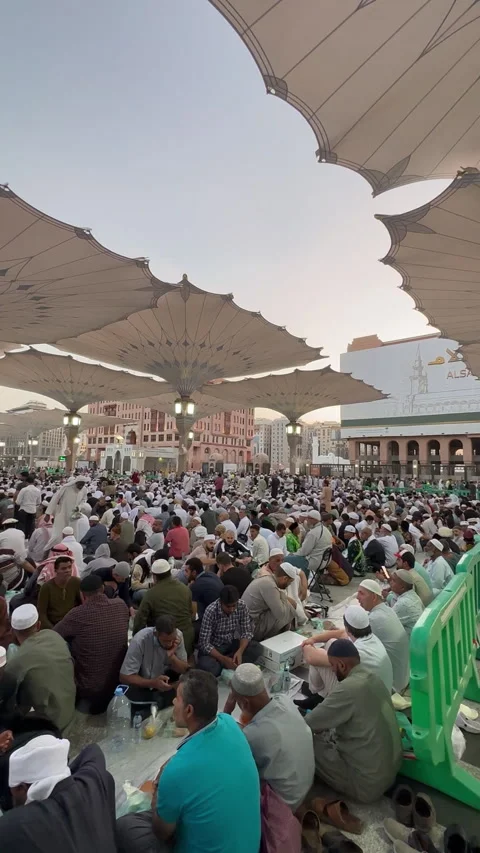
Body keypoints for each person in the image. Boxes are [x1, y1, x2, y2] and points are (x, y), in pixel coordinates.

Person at [116, 670, 261, 853]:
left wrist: (159, 789)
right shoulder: (229, 723)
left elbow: (161, 833)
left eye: (177, 698)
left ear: (189, 710)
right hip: (249, 846)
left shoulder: (176, 773)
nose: (174, 702)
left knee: (126, 827)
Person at [306, 639, 402, 803]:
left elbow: (308, 723)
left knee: (305, 740)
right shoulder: (374, 679)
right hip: (392, 772)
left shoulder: (349, 689)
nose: (332, 669)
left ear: (342, 666)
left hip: (365, 785)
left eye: (332, 665)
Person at [0, 737, 118, 853]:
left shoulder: (11, 827)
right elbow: (93, 750)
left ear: (20, 788)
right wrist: (59, 773)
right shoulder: (93, 783)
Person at [226, 663, 314, 811]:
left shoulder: (252, 735)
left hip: (284, 804)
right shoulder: (284, 700)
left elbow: (223, 743)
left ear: (245, 702)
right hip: (305, 787)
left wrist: (226, 711)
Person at [54, 574, 129, 714]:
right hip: (119, 683)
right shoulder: (121, 605)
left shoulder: (77, 614)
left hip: (90, 689)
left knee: (64, 644)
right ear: (102, 588)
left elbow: (53, 635)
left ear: (82, 595)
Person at [0, 604, 75, 733]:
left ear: (12, 631)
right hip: (69, 710)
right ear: (39, 625)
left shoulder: (17, 661)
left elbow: (6, 695)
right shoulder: (54, 635)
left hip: (50, 725)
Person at [120, 615, 189, 712]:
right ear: (156, 634)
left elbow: (185, 670)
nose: (169, 644)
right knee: (128, 696)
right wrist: (152, 683)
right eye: (165, 641)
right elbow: (124, 677)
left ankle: (157, 703)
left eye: (172, 640)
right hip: (144, 684)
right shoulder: (140, 640)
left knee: (187, 688)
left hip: (166, 680)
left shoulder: (178, 636)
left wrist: (172, 656)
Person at [357, 578, 410, 694]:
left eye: (361, 593)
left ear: (374, 597)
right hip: (402, 678)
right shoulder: (387, 610)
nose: (357, 597)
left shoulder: (375, 619)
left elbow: (351, 639)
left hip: (393, 686)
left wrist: (316, 638)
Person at [133, 559, 195, 655]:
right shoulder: (185, 589)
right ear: (169, 572)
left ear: (154, 576)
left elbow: (140, 621)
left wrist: (135, 640)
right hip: (187, 641)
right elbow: (191, 613)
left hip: (164, 644)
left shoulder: (151, 594)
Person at [197, 585, 262, 676]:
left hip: (230, 644)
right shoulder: (211, 611)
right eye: (228, 606)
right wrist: (222, 658)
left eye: (234, 606)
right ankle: (229, 665)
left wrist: (240, 651)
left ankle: (230, 663)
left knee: (256, 648)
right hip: (214, 648)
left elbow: (246, 632)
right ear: (221, 602)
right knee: (206, 665)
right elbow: (204, 644)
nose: (232, 609)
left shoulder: (241, 606)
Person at [241, 563, 297, 641]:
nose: (288, 585)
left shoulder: (267, 579)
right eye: (289, 582)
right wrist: (283, 595)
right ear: (285, 578)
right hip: (251, 629)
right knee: (290, 607)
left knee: (287, 605)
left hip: (247, 624)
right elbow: (281, 614)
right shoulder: (269, 585)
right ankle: (283, 638)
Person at [37, 556, 82, 629]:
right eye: (63, 568)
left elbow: (82, 605)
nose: (68, 570)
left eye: (69, 567)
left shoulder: (76, 582)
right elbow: (42, 614)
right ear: (56, 570)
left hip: (73, 624)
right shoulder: (46, 587)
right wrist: (54, 630)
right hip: (54, 625)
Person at [45, 476, 88, 544]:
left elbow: (84, 500)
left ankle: (71, 549)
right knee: (58, 534)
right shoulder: (66, 488)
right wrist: (48, 513)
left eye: (82, 485)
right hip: (62, 513)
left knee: (73, 534)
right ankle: (53, 548)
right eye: (80, 484)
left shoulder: (84, 489)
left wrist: (79, 507)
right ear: (76, 483)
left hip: (74, 515)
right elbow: (55, 499)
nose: (81, 486)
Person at [388, 570, 424, 637]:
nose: (390, 582)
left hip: (411, 642)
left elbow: (386, 624)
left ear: (402, 587)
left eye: (394, 581)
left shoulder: (403, 603)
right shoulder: (413, 594)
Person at [15, 475, 41, 540]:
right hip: (33, 510)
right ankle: (30, 541)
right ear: (33, 482)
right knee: (31, 527)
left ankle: (22, 539)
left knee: (22, 526)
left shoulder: (24, 490)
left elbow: (18, 502)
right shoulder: (38, 491)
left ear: (26, 482)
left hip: (23, 510)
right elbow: (38, 502)